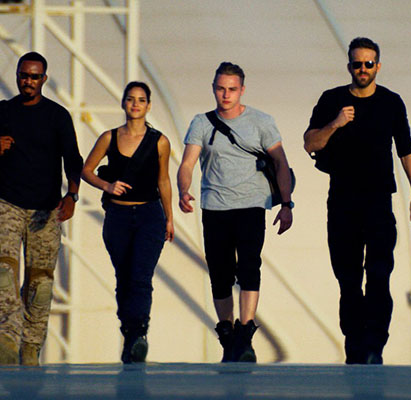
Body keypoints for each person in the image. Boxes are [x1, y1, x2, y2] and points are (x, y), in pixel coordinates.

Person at [303, 37, 411, 365]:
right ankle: (355, 343)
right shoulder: (332, 100)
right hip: (342, 201)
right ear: (349, 67)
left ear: (378, 67)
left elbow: (406, 149)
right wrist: (336, 123)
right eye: (357, 64)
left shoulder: (390, 102)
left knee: (379, 274)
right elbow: (310, 143)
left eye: (368, 64)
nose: (363, 69)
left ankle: (375, 344)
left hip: (378, 201)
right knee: (348, 279)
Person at [177, 62, 293, 363]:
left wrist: (286, 204)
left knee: (250, 266)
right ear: (213, 89)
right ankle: (227, 332)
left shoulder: (261, 122)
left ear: (242, 90)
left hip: (251, 205)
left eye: (231, 89)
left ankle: (245, 331)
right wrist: (183, 190)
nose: (226, 95)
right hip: (215, 206)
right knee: (220, 272)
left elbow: (280, 162)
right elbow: (188, 163)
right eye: (220, 89)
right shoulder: (202, 123)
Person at [81, 81, 174, 364]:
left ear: (148, 105)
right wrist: (107, 186)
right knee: (123, 278)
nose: (135, 104)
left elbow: (163, 180)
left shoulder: (159, 141)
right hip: (118, 217)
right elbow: (87, 170)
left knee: (140, 277)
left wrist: (170, 218)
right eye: (131, 99)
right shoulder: (109, 137)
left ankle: (138, 332)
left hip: (149, 216)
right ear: (123, 103)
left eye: (141, 100)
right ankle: (129, 333)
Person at [0, 52, 83, 365]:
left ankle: (31, 348)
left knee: (41, 285)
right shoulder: (4, 111)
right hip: (7, 203)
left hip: (45, 210)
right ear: (17, 76)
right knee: (3, 274)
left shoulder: (57, 116)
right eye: (24, 75)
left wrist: (72, 195)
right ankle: (7, 340)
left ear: (44, 79)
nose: (28, 81)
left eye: (35, 77)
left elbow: (73, 160)